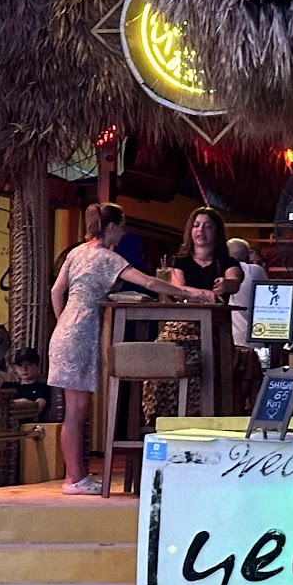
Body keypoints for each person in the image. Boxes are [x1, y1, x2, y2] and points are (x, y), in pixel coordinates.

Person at [49, 203, 207, 497]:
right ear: (110, 227)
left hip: (65, 332)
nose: (123, 233)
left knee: (74, 410)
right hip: (81, 333)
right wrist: (188, 292)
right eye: (121, 227)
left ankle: (77, 476)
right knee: (77, 411)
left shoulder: (76, 252)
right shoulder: (108, 258)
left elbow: (56, 291)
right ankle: (74, 479)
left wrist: (63, 323)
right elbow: (148, 281)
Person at [146, 207, 244, 424]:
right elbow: (177, 289)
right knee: (161, 356)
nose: (201, 230)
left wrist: (225, 284)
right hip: (180, 326)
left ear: (217, 232)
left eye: (207, 226)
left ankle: (197, 417)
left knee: (199, 362)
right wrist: (200, 294)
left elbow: (234, 282)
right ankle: (161, 418)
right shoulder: (180, 262)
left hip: (213, 329)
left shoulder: (228, 263)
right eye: (197, 225)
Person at [225, 239, 270, 349]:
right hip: (252, 338)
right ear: (247, 255)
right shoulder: (256, 270)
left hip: (224, 338)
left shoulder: (219, 270)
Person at [6, 347, 56, 418]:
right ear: (15, 368)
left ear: (37, 366)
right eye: (20, 365)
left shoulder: (42, 388)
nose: (24, 369)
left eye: (29, 364)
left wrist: (24, 403)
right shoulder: (7, 387)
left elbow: (37, 408)